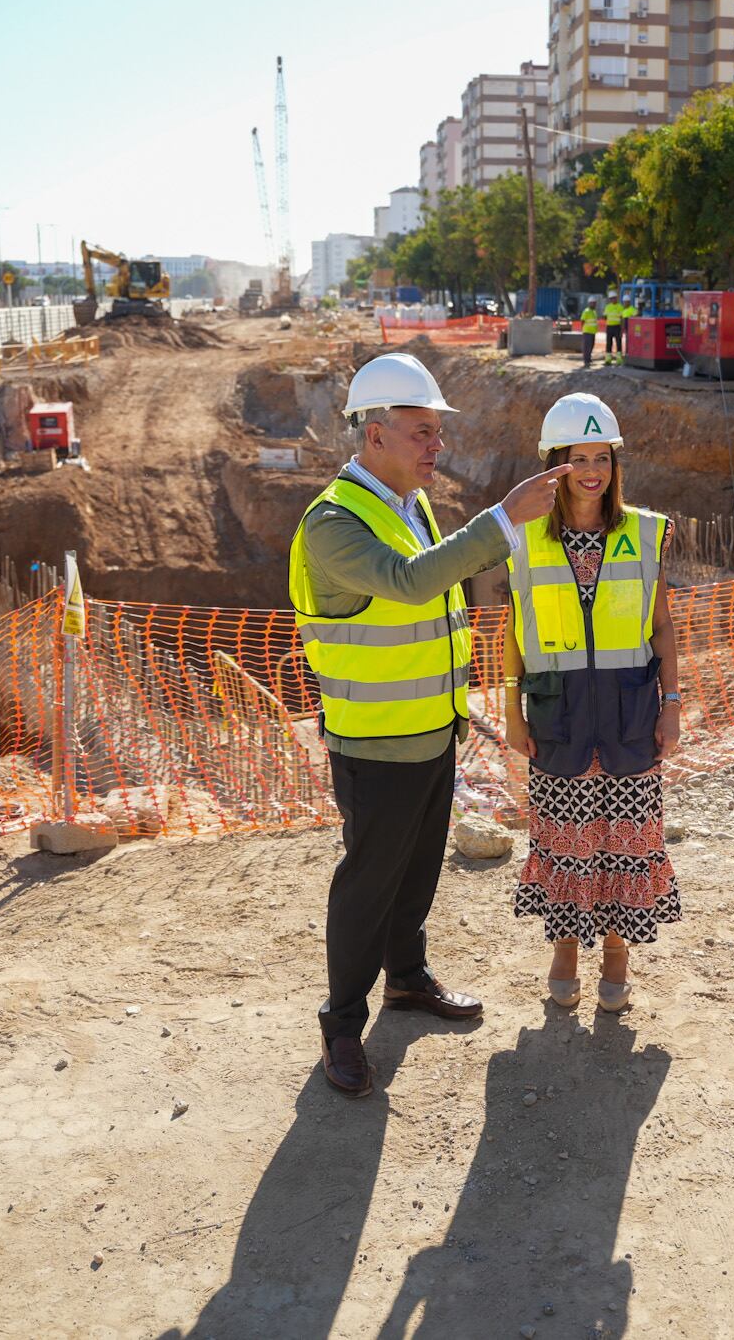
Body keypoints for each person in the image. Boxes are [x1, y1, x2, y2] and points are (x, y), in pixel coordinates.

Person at [287, 352, 575, 1098]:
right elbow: (413, 584)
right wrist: (504, 518)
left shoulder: (409, 505)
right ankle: (342, 1025)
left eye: (435, 431)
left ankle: (407, 979)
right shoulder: (332, 523)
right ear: (373, 433)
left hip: (428, 730)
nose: (435, 445)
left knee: (415, 873)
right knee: (367, 886)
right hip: (374, 742)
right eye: (421, 431)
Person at [502, 394, 681, 1014]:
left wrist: (674, 701)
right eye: (577, 457)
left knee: (623, 841)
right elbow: (514, 627)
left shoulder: (646, 532)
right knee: (565, 840)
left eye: (601, 457)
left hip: (631, 713)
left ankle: (616, 958)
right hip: (559, 713)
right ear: (554, 463)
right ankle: (564, 953)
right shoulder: (521, 535)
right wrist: (510, 710)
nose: (591, 470)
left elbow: (661, 626)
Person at [580, 303, 599, 369]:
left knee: (591, 345)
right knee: (587, 346)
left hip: (592, 332)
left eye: (595, 304)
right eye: (593, 304)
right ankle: (586, 360)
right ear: (590, 304)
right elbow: (582, 320)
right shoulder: (586, 311)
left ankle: (589, 358)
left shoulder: (594, 312)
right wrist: (582, 329)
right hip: (587, 331)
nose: (594, 305)